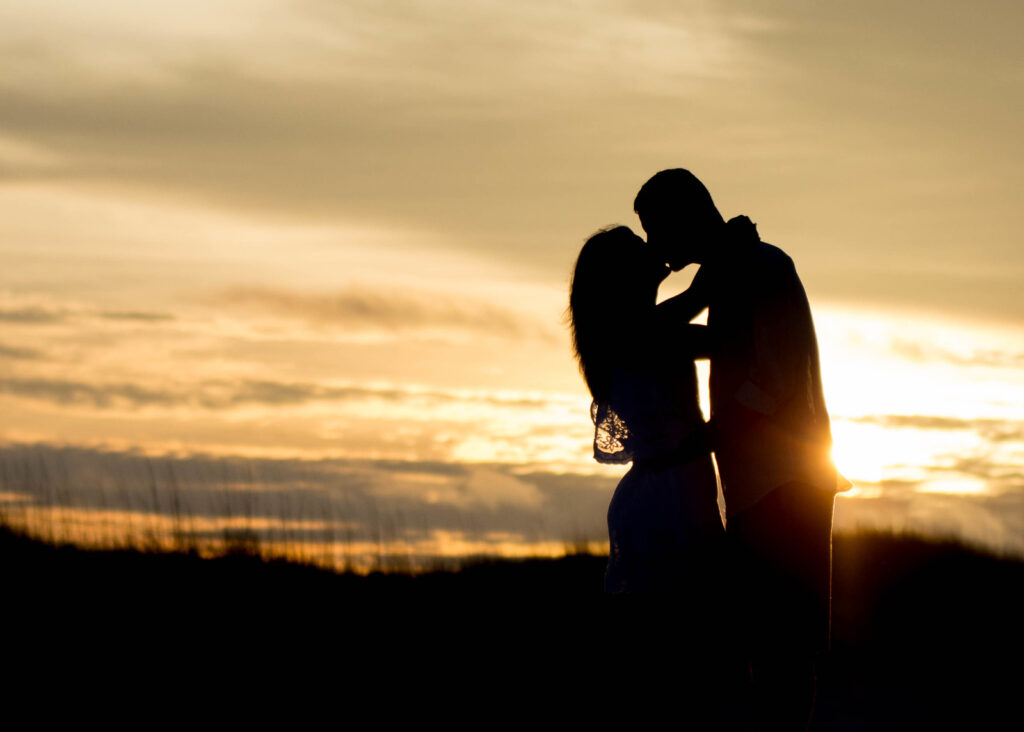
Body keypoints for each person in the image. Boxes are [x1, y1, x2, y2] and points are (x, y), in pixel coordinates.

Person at [633, 168, 848, 730]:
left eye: (656, 231)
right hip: (763, 484)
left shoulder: (761, 267)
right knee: (768, 642)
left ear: (685, 217)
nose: (656, 248)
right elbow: (718, 340)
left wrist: (703, 438)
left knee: (785, 648)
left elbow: (772, 379)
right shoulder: (733, 270)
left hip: (788, 481)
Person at [568, 225, 723, 595]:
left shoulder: (633, 333)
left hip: (663, 494)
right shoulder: (643, 334)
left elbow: (692, 301)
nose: (652, 246)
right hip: (672, 501)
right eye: (640, 246)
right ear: (625, 274)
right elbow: (713, 319)